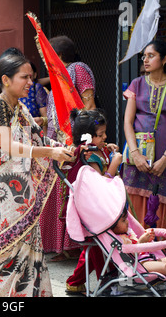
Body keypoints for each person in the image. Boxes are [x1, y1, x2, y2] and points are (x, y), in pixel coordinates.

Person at [0, 54, 74, 297]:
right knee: (7, 242)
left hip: (18, 186)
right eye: (24, 77)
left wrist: (64, 149)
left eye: (31, 78)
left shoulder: (20, 107)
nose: (30, 83)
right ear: (5, 79)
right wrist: (50, 151)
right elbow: (6, 145)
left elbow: (38, 140)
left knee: (26, 241)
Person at [123, 40, 166, 248]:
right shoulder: (136, 84)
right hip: (138, 154)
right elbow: (128, 121)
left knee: (164, 199)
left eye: (151, 55)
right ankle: (137, 252)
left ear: (164, 59)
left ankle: (163, 254)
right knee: (135, 197)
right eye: (144, 56)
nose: (145, 59)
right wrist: (135, 153)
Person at [40, 35, 97, 260]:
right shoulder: (57, 76)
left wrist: (78, 140)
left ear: (58, 55)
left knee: (71, 192)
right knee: (56, 192)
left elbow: (89, 104)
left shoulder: (78, 69)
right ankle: (60, 246)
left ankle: (73, 245)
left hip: (75, 142)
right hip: (57, 143)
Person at [64, 109, 122, 294]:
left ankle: (75, 282)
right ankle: (107, 280)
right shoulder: (88, 158)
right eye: (100, 135)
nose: (105, 137)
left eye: (105, 133)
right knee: (99, 246)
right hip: (95, 213)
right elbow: (100, 187)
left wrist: (106, 147)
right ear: (87, 138)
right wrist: (114, 165)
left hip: (97, 211)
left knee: (95, 247)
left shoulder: (93, 151)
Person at [112, 208, 166, 297]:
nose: (127, 222)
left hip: (148, 257)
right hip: (138, 265)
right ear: (113, 226)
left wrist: (147, 238)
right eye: (123, 221)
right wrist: (141, 242)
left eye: (126, 219)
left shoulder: (128, 232)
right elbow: (128, 257)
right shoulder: (118, 240)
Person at [19, 61, 48, 126]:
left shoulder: (36, 88)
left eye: (29, 76)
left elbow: (45, 117)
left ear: (34, 75)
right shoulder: (14, 90)